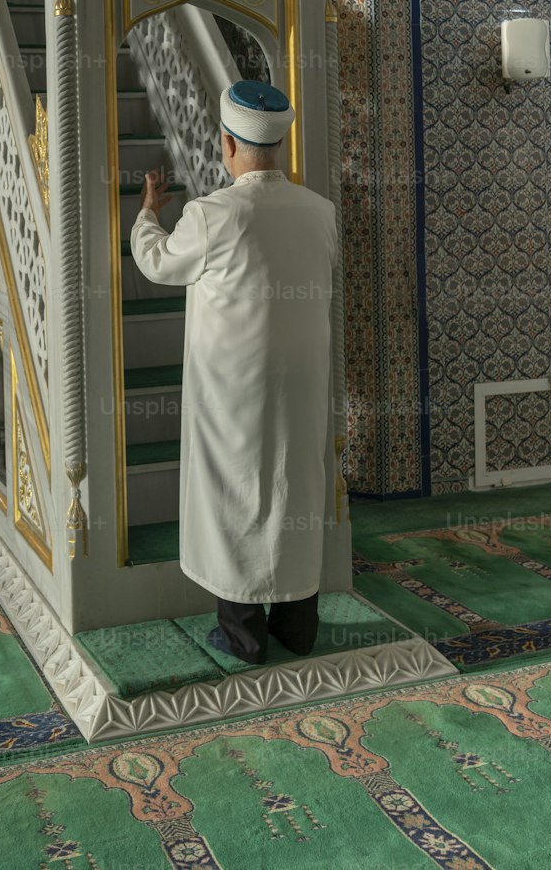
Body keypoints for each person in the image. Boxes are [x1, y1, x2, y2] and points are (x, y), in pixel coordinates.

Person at [130, 78, 338, 665]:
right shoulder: (319, 212)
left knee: (236, 490)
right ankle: (299, 628)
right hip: (302, 382)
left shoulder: (211, 214)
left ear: (226, 145)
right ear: (279, 145)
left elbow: (157, 263)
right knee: (294, 483)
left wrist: (147, 213)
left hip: (233, 390)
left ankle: (244, 636)